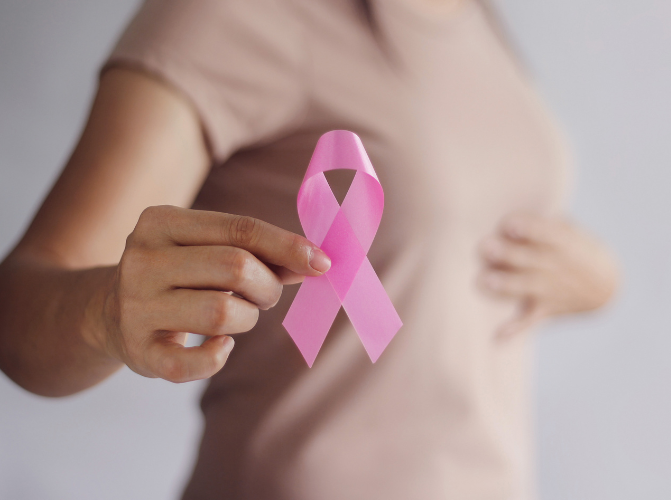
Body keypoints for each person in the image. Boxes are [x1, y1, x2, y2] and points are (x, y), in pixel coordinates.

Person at [0, 0, 617, 498]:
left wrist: (596, 281)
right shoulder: (230, 17)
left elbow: (452, 226)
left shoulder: (476, 18)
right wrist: (104, 313)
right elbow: (21, 309)